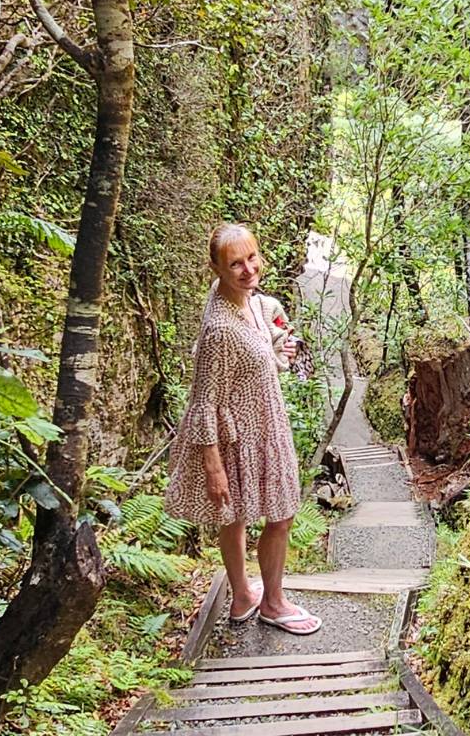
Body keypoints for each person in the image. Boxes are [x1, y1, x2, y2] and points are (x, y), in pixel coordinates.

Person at [163, 223, 322, 635]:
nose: (248, 269)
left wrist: (274, 347)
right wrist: (212, 466)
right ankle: (272, 602)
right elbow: (203, 401)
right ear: (216, 268)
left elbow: (252, 349)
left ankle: (242, 597)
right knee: (281, 514)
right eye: (235, 263)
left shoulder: (247, 301)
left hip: (264, 425)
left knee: (233, 518)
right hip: (242, 437)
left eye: (252, 257)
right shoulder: (219, 328)